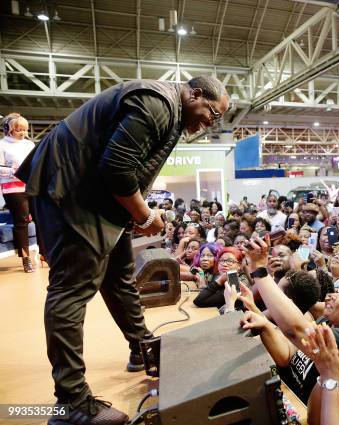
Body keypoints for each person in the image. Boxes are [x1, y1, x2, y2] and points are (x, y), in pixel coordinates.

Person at [16, 75, 229, 423]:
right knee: (71, 290)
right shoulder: (158, 103)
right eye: (212, 112)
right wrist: (145, 216)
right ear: (194, 93)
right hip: (71, 193)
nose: (211, 122)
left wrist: (132, 213)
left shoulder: (170, 110)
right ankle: (71, 403)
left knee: (118, 276)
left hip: (92, 198)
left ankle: (142, 348)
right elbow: (116, 169)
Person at [240, 235, 339, 404]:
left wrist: (260, 271)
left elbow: (295, 330)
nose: (331, 296)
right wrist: (261, 318)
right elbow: (287, 353)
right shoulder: (328, 321)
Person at [0, 113, 36, 272]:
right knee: (21, 223)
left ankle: (46, 255)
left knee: (42, 219)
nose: (22, 133)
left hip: (32, 186)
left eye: (24, 130)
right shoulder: (2, 145)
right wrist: (14, 171)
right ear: (8, 129)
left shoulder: (29, 145)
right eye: (18, 130)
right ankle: (26, 259)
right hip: (13, 189)